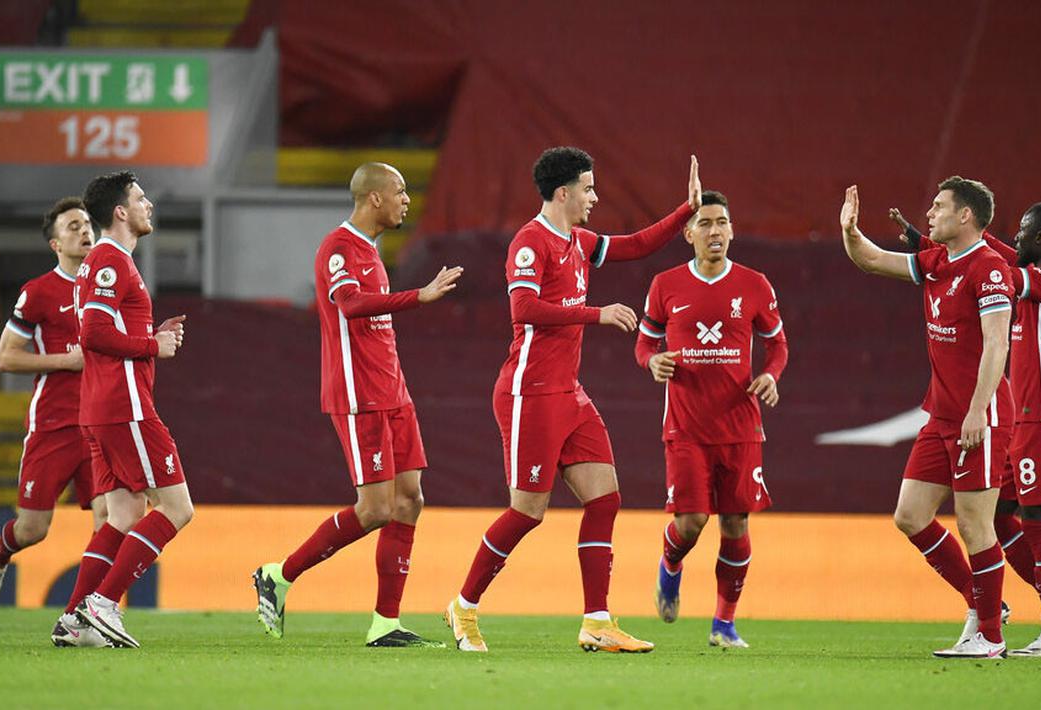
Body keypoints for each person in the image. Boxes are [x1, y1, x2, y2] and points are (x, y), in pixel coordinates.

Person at [445, 146, 701, 653]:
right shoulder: (530, 242)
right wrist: (595, 313)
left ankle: (597, 621)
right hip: (529, 393)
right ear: (563, 193)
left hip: (569, 393)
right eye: (588, 188)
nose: (595, 196)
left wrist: (685, 212)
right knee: (527, 512)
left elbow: (635, 245)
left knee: (605, 498)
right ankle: (464, 606)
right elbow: (524, 307)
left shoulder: (580, 241)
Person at [253, 163, 462, 647]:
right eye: (400, 191)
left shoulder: (371, 250)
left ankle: (385, 622)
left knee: (411, 499)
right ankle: (278, 575)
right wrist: (420, 296)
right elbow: (349, 304)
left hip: (393, 391)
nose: (407, 200)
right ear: (374, 199)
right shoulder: (338, 248)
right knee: (375, 509)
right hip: (358, 393)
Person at [891, 202, 1041, 656]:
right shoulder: (1036, 276)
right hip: (1021, 417)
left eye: (1022, 231)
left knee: (1038, 520)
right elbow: (988, 257)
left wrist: (952, 245)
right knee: (1000, 517)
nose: (1014, 237)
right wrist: (930, 244)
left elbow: (989, 262)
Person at [839, 178, 1012, 658]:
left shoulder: (991, 269)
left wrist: (978, 409)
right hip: (941, 415)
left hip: (981, 413)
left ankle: (991, 637)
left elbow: (998, 344)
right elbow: (871, 259)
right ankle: (982, 604)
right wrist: (850, 231)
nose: (929, 214)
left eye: (939, 207)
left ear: (966, 217)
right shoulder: (937, 261)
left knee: (976, 525)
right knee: (910, 515)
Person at [634, 190, 788, 648]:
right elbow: (645, 344)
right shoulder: (666, 285)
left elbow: (778, 345)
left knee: (736, 523)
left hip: (741, 425)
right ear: (688, 233)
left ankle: (724, 624)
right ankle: (671, 565)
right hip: (686, 427)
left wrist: (771, 374)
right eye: (705, 223)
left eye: (722, 222)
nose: (715, 231)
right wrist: (651, 362)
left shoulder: (755, 284)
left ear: (732, 230)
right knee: (692, 522)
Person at [65, 171, 191, 649]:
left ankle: (75, 619)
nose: (149, 205)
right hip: (126, 406)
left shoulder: (103, 263)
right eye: (141, 198)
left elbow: (103, 327)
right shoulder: (110, 261)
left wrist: (151, 336)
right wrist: (151, 345)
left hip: (102, 405)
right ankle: (103, 603)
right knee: (177, 507)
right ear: (120, 211)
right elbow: (94, 333)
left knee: (123, 512)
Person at [0, 199, 111, 643]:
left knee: (110, 519)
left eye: (87, 224)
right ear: (57, 243)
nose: (84, 232)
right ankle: (1, 552)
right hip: (53, 426)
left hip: (101, 423)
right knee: (34, 529)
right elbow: (5, 357)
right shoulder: (38, 292)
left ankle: (81, 617)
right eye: (73, 227)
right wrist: (65, 362)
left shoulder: (106, 285)